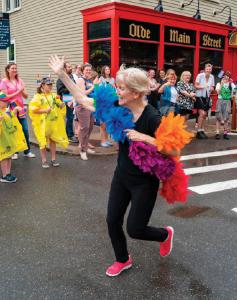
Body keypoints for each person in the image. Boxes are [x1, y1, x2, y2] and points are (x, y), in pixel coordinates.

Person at [48, 56, 178, 277]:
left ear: (136, 93)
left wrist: (145, 138)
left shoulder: (153, 117)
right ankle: (122, 259)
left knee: (135, 229)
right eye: (117, 87)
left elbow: (173, 150)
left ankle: (164, 235)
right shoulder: (119, 106)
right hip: (122, 176)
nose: (117, 91)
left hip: (144, 182)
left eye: (122, 88)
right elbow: (83, 100)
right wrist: (62, 75)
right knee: (112, 220)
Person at [0, 92, 27, 183]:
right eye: (4, 101)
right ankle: (4, 175)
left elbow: (10, 117)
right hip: (1, 140)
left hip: (8, 138)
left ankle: (8, 173)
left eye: (6, 101)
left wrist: (15, 110)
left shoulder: (5, 111)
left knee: (9, 156)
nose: (6, 102)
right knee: (4, 157)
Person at [29, 77, 68, 168]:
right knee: (43, 142)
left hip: (53, 123)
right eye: (48, 84)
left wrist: (62, 104)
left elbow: (59, 104)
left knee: (53, 140)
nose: (50, 86)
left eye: (51, 84)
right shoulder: (38, 96)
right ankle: (44, 160)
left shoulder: (54, 95)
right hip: (43, 124)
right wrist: (44, 110)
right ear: (42, 85)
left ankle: (53, 159)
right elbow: (33, 109)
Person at [0, 63, 35, 159]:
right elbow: (4, 97)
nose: (14, 70)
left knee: (25, 130)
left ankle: (27, 151)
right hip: (10, 109)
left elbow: (26, 96)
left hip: (21, 109)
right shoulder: (4, 81)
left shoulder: (19, 80)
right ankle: (14, 152)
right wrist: (17, 92)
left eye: (15, 68)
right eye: (12, 68)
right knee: (13, 131)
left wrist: (22, 91)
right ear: (7, 70)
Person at [75, 63, 95, 160]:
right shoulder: (80, 80)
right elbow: (82, 94)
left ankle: (86, 147)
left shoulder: (89, 80)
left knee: (90, 127)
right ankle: (82, 150)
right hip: (83, 107)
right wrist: (93, 87)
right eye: (86, 69)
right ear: (82, 70)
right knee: (84, 128)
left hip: (91, 106)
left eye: (89, 70)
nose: (88, 71)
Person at [56, 62, 78, 143]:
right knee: (70, 117)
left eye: (71, 66)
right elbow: (59, 90)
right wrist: (70, 88)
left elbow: (75, 86)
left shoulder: (71, 77)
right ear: (64, 69)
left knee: (71, 117)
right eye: (69, 67)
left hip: (73, 98)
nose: (71, 68)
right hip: (66, 98)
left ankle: (67, 133)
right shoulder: (61, 78)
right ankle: (70, 135)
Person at [215, 71, 237, 140]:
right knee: (218, 117)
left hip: (228, 101)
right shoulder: (219, 83)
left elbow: (236, 90)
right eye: (225, 76)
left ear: (229, 77)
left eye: (228, 76)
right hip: (220, 100)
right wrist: (222, 85)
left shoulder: (231, 84)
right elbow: (218, 92)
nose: (226, 77)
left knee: (226, 118)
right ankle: (217, 133)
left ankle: (225, 133)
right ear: (223, 76)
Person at [194, 63, 215, 139]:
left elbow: (212, 86)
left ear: (211, 70)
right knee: (202, 114)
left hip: (207, 97)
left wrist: (212, 88)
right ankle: (198, 131)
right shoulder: (200, 76)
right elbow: (195, 86)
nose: (208, 70)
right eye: (207, 69)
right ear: (205, 69)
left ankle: (202, 130)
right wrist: (203, 86)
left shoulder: (212, 77)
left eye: (210, 69)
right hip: (199, 96)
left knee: (205, 115)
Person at [98, 66, 115, 147]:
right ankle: (102, 141)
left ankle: (107, 140)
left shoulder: (112, 79)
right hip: (102, 102)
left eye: (109, 69)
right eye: (106, 69)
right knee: (102, 123)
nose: (108, 70)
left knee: (108, 122)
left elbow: (114, 89)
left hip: (110, 102)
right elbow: (98, 89)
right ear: (103, 71)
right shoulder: (100, 78)